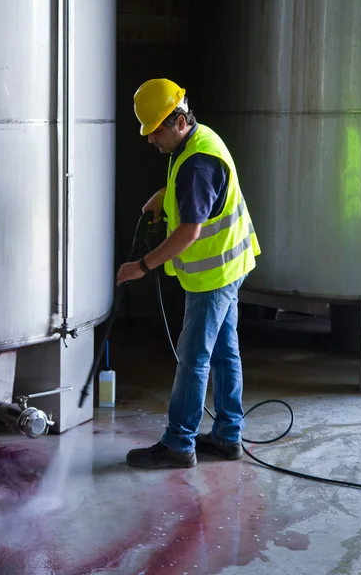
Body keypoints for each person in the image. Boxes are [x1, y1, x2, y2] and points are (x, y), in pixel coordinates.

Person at [117, 78, 260, 469]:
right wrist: (165, 194)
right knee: (224, 351)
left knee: (194, 357)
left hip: (214, 276)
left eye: (156, 131)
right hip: (232, 264)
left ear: (178, 120)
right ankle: (229, 436)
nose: (150, 139)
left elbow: (189, 231)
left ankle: (179, 443)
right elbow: (199, 193)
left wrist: (141, 267)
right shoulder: (198, 140)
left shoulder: (196, 162)